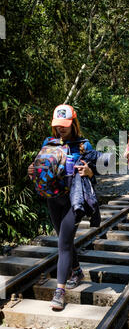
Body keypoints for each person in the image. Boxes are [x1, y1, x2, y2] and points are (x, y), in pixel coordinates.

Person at [28, 104, 98, 311]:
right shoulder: (48, 143)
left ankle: (59, 292)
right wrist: (32, 170)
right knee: (63, 239)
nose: (61, 129)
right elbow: (41, 168)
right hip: (52, 198)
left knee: (64, 243)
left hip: (73, 201)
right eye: (58, 125)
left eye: (65, 125)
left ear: (74, 123)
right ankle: (76, 271)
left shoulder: (84, 146)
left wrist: (89, 172)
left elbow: (95, 175)